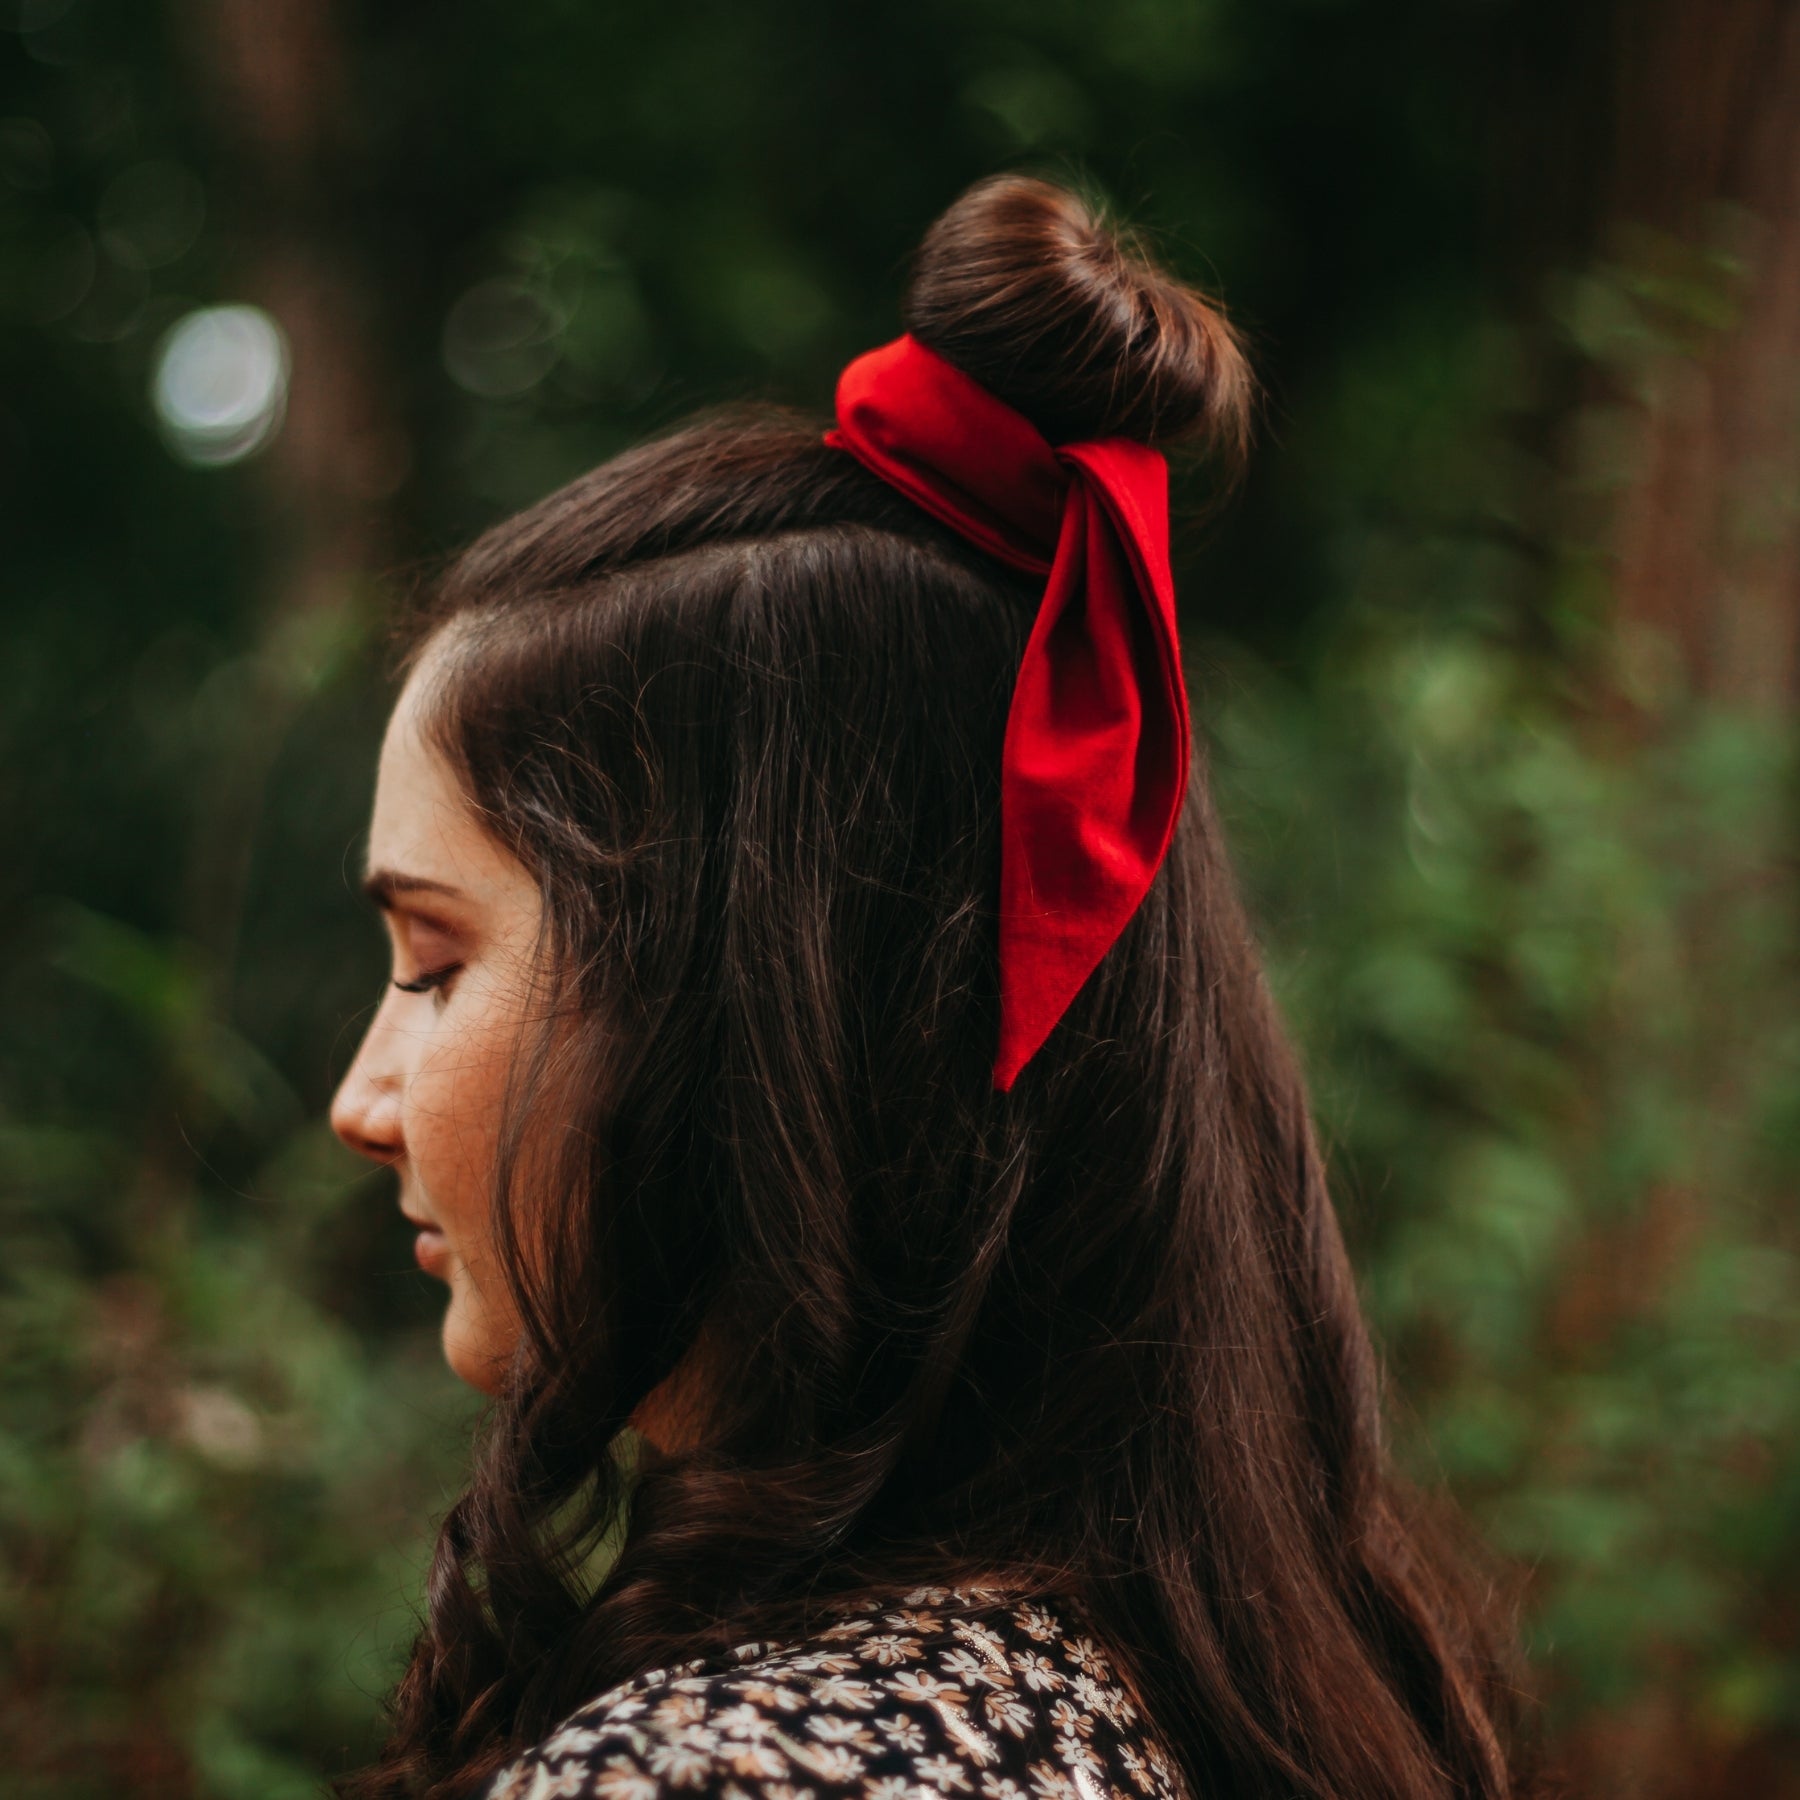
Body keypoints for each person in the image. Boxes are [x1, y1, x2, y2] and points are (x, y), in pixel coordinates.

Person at [329, 175, 1526, 1800]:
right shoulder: (1104, 1686)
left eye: (433, 962)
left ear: (749, 1008)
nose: (361, 1099)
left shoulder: (735, 1772)